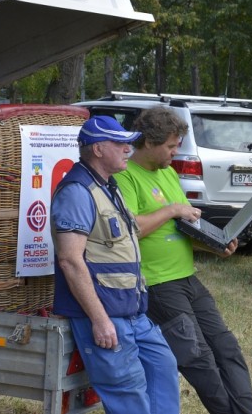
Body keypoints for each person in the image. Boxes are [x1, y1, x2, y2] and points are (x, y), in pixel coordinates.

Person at [116, 107, 252, 414]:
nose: (175, 151)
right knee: (199, 359)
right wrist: (172, 209)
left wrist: (215, 245)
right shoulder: (125, 176)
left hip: (187, 278)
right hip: (156, 284)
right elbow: (131, 229)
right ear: (150, 143)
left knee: (226, 348)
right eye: (171, 146)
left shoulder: (168, 173)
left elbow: (184, 226)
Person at [50, 115, 180, 414]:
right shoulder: (76, 192)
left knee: (163, 365)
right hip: (106, 312)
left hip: (132, 311)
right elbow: (70, 261)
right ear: (97, 149)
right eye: (120, 143)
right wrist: (99, 320)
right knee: (127, 388)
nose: (128, 149)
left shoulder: (109, 185)